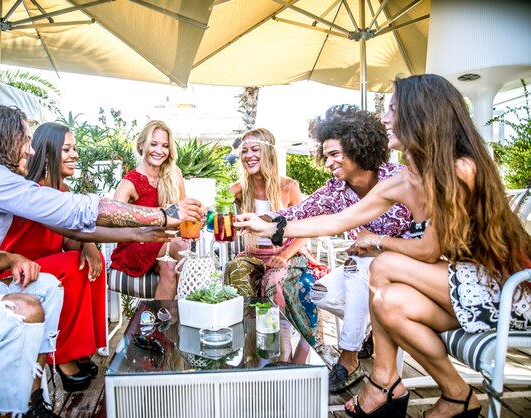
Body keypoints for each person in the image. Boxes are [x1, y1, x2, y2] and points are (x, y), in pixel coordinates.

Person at [235, 74, 531, 418]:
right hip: (457, 286)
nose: (386, 118)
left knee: (382, 266)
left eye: (392, 109)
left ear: (421, 114)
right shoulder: (407, 178)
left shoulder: (459, 169)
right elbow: (337, 221)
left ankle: (383, 382)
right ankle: (454, 394)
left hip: (507, 290)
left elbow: (426, 252)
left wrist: (375, 241)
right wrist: (271, 224)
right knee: (389, 303)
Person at [0, 104, 201, 418]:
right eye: (25, 140)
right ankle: (10, 412)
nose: (31, 150)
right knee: (24, 311)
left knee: (45, 285)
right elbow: (78, 211)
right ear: (1, 139)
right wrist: (163, 215)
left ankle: (34, 400)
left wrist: (9, 258)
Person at [0, 122, 169, 393]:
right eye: (66, 149)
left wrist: (88, 246)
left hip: (42, 269)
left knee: (88, 260)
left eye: (75, 148)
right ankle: (61, 356)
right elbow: (68, 226)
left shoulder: (62, 191)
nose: (74, 154)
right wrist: (139, 232)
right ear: (48, 152)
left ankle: (80, 349)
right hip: (7, 273)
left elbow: (69, 236)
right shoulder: (30, 190)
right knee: (70, 264)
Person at [264, 105, 413, 393]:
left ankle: (349, 357)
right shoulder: (336, 189)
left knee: (356, 270)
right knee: (320, 292)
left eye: (334, 154)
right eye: (326, 155)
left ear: (357, 146)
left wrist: (378, 247)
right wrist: (255, 221)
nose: (328, 162)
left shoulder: (399, 177)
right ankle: (369, 329)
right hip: (368, 270)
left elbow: (426, 236)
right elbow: (298, 212)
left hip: (408, 267)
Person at [224, 128, 328, 345]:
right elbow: (213, 208)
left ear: (268, 153)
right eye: (244, 151)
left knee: (273, 282)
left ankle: (280, 344)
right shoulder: (239, 189)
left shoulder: (288, 187)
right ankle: (246, 340)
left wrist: (284, 256)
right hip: (252, 255)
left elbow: (306, 230)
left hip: (286, 255)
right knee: (234, 270)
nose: (248, 156)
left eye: (255, 150)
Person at [110, 120, 188, 300]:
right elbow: (112, 219)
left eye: (165, 146)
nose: (159, 151)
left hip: (164, 242)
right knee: (181, 246)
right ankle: (198, 306)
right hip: (137, 243)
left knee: (169, 269)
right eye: (154, 144)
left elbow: (183, 213)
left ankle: (164, 324)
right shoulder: (131, 181)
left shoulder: (174, 174)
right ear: (141, 145)